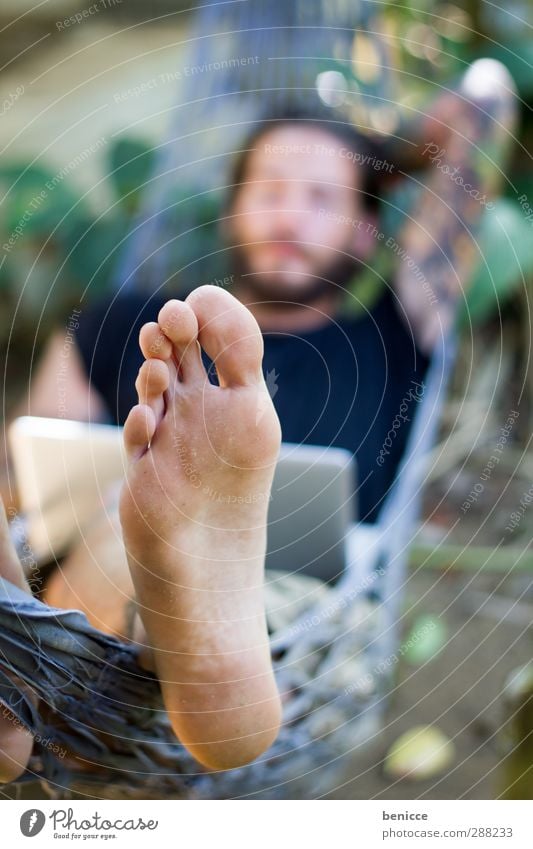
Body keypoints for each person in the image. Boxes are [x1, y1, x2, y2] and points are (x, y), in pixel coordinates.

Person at [0, 59, 517, 782]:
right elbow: (23, 483)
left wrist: (386, 158)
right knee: (89, 520)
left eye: (320, 198)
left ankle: (97, 659)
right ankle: (171, 609)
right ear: (232, 209)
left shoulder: (397, 327)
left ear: (367, 230)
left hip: (296, 615)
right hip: (67, 580)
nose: (288, 214)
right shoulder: (124, 323)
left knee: (128, 527)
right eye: (270, 190)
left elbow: (487, 97)